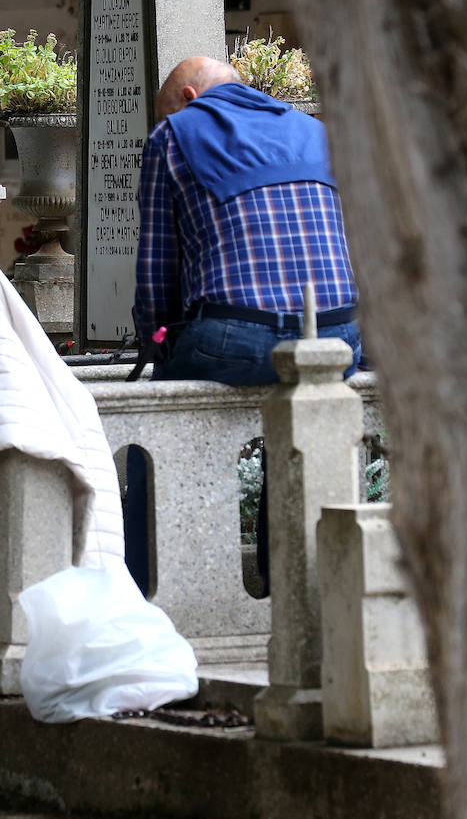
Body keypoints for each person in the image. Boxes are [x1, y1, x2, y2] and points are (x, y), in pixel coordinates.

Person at [126, 56, 362, 593]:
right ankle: (285, 583)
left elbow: (157, 274)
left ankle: (147, 592)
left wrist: (156, 341)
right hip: (338, 335)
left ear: (188, 98)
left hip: (235, 335)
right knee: (299, 434)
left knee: (150, 431)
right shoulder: (317, 131)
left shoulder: (175, 134)